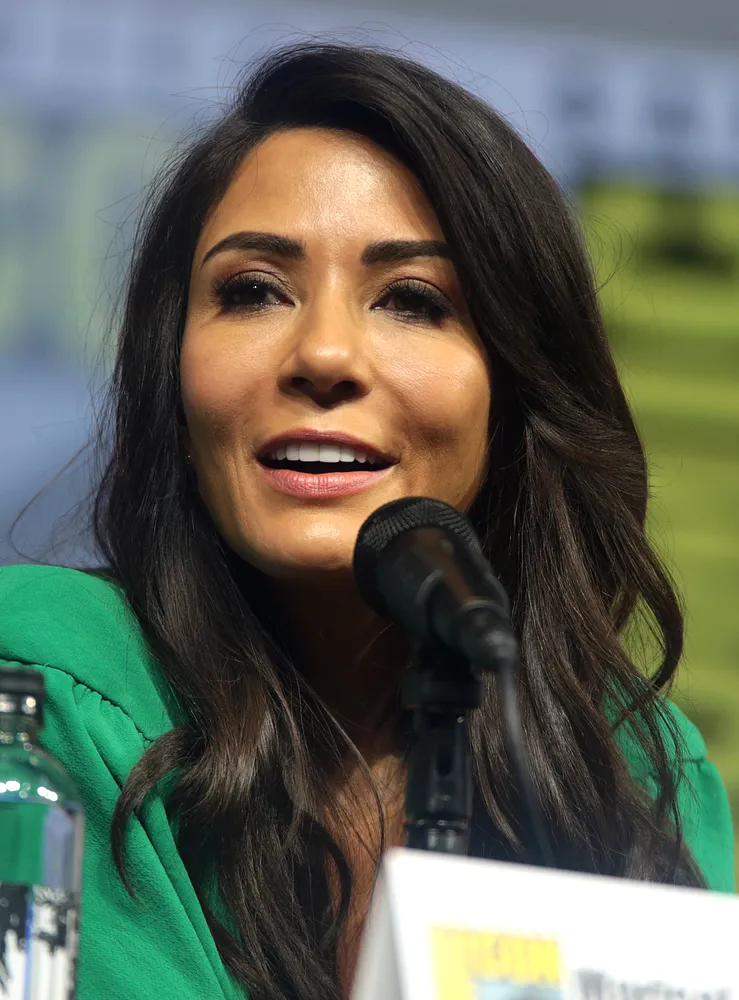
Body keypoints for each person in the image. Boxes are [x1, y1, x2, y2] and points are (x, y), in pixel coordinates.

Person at [0, 41, 733, 1000]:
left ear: (515, 396)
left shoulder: (636, 766)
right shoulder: (42, 679)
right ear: (174, 383)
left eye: (412, 301)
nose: (324, 354)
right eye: (252, 292)